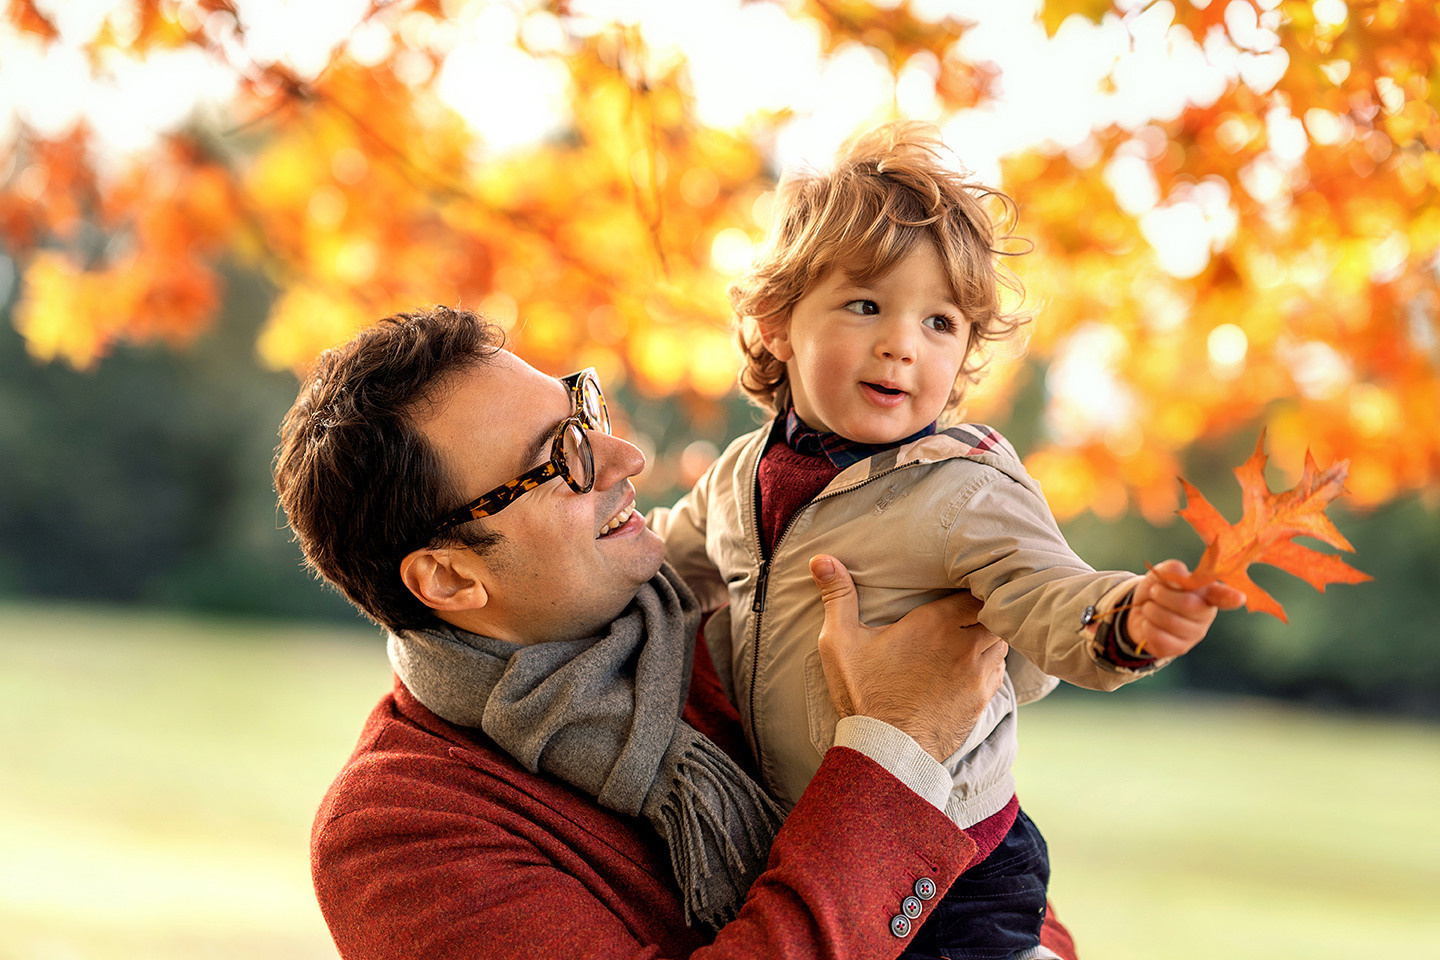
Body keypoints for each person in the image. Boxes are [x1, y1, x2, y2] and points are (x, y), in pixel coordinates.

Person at [274, 305, 1083, 960]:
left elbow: (1004, 905)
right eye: (560, 460)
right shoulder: (399, 836)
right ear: (449, 577)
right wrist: (895, 754)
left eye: (583, 410)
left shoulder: (736, 611)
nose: (623, 455)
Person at [650, 123, 1246, 960]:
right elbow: (661, 560)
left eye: (941, 322)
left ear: (967, 351)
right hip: (817, 836)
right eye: (867, 306)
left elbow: (1050, 592)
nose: (903, 342)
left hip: (953, 858)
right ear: (779, 323)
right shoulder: (742, 473)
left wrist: (1125, 618)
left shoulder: (965, 488)